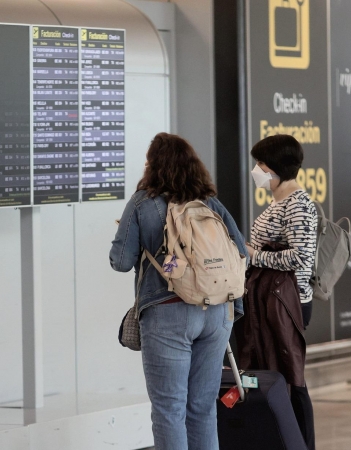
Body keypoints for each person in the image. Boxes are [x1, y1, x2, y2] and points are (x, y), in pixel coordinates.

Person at [110, 132, 246, 450]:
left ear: (151, 165)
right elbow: (242, 251)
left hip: (167, 312)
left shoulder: (143, 201)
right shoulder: (209, 201)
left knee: (169, 411)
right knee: (201, 409)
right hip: (216, 314)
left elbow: (120, 260)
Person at [244, 134, 317, 450]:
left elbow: (301, 256)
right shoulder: (279, 203)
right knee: (274, 375)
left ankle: (299, 441)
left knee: (290, 377)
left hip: (288, 303)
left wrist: (253, 255)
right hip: (271, 300)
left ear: (274, 167)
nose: (256, 170)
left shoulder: (298, 206)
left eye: (260, 164)